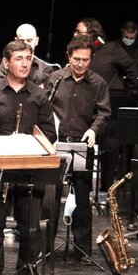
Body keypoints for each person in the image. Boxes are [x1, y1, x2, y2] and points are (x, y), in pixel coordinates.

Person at [0, 40, 56, 275]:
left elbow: (50, 134)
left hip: (29, 171)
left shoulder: (39, 96)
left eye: (28, 58)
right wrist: (4, 144)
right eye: (19, 58)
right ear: (6, 62)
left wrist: (27, 142)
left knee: (30, 228)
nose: (24, 63)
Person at [47, 39, 111, 261]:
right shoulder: (55, 79)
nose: (81, 64)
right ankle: (45, 246)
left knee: (82, 197)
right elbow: (45, 108)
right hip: (56, 144)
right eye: (76, 59)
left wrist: (94, 130)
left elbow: (104, 113)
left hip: (82, 145)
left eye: (85, 60)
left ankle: (82, 249)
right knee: (51, 196)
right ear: (68, 57)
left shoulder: (98, 83)